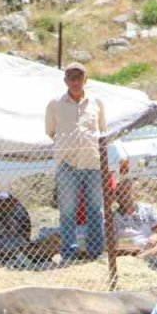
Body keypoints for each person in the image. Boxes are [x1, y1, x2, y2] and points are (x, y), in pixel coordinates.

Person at [45, 62, 106, 263]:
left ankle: (96, 251)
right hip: (67, 163)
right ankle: (69, 251)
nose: (75, 81)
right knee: (68, 209)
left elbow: (102, 130)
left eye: (79, 77)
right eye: (71, 77)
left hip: (92, 162)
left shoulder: (97, 102)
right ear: (65, 81)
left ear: (85, 80)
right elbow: (51, 131)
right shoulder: (55, 104)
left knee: (95, 208)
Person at [112, 171, 157, 260]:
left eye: (126, 192)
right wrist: (133, 246)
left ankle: (141, 257)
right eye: (119, 194)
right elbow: (112, 242)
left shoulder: (148, 209)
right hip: (128, 249)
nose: (123, 197)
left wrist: (155, 236)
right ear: (116, 197)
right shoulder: (114, 216)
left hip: (148, 246)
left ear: (134, 192)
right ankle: (142, 257)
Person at [0, 191, 34, 265]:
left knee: (27, 262)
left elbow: (25, 236)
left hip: (17, 251)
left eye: (4, 204)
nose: (0, 206)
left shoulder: (17, 216)